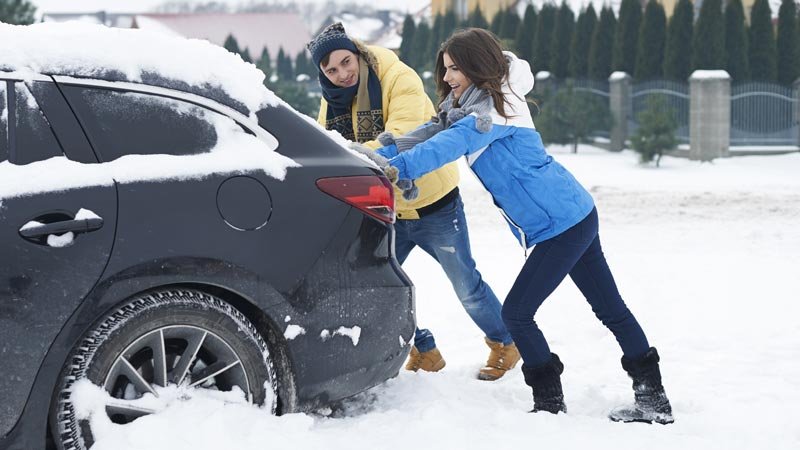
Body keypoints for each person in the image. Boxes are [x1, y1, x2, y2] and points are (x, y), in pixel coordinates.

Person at [376, 28, 674, 424]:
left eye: (454, 69)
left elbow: (445, 146)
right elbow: (432, 133)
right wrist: (380, 154)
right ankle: (652, 399)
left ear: (476, 65)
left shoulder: (493, 111)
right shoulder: (471, 106)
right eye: (445, 69)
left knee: (518, 313)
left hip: (562, 224)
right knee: (608, 308)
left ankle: (550, 403)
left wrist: (397, 168)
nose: (446, 78)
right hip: (572, 213)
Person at [307, 23, 520, 380]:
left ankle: (505, 342)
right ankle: (423, 349)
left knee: (466, 284)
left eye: (346, 62)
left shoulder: (397, 78)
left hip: (433, 202)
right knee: (370, 286)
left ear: (357, 54)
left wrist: (352, 157)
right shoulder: (332, 101)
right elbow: (330, 145)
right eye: (331, 70)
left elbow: (404, 136)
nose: (342, 74)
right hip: (384, 209)